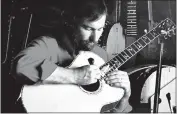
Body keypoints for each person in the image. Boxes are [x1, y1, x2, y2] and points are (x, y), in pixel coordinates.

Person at [12, 0, 132, 112]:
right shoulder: (49, 44)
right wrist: (74, 75)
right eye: (88, 28)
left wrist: (125, 96)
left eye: (100, 29)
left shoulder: (100, 55)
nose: (95, 38)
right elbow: (21, 65)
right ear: (71, 23)